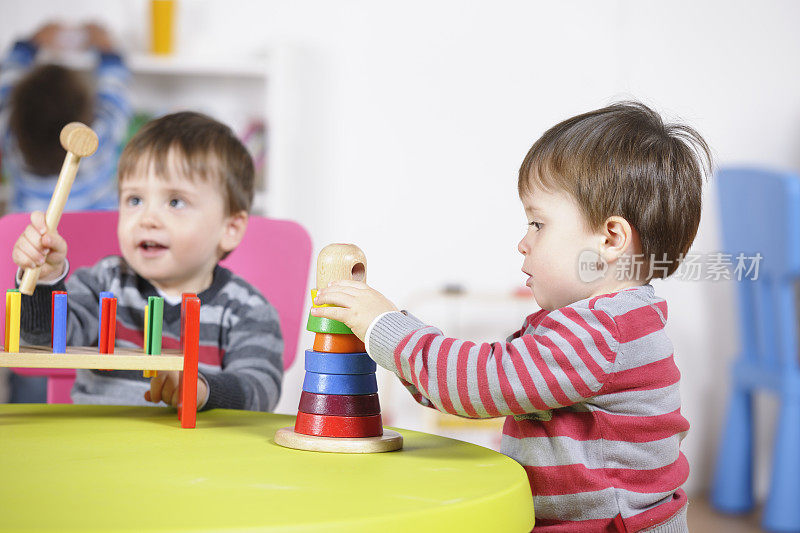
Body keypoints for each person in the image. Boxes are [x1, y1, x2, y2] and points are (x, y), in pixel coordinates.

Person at [311, 102, 711, 532]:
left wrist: (385, 328)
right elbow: (490, 385)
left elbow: (484, 384)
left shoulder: (602, 330)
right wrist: (389, 343)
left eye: (538, 224)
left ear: (610, 238)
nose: (524, 242)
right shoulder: (595, 322)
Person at [12, 111, 283, 412]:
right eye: (134, 200)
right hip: (96, 449)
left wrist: (202, 389)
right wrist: (45, 278)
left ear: (229, 229)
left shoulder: (247, 310)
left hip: (193, 455)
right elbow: (42, 340)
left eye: (175, 202)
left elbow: (261, 389)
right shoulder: (105, 282)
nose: (147, 219)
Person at [0, 22, 131, 212]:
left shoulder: (10, 132)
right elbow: (116, 89)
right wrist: (107, 49)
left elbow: (6, 84)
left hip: (29, 235)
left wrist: (28, 44)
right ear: (88, 111)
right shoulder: (99, 137)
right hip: (97, 233)